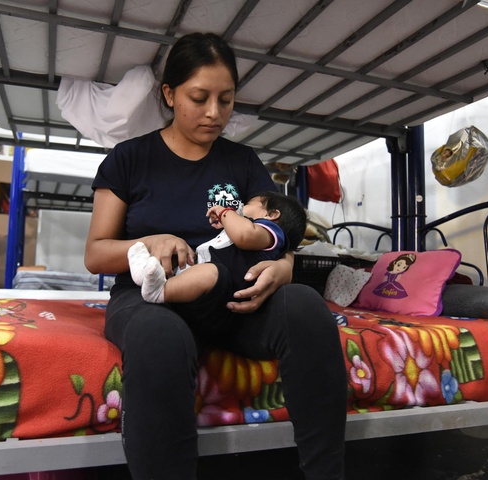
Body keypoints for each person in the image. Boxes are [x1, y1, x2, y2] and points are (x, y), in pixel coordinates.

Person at [84, 32, 347, 480]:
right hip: (154, 298)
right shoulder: (129, 159)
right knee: (160, 337)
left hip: (231, 297)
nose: (214, 113)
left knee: (304, 305)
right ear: (169, 94)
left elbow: (278, 234)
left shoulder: (243, 162)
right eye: (199, 97)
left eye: (225, 100)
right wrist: (149, 243)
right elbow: (95, 253)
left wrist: (283, 269)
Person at [127, 191, 307, 335]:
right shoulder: (257, 229)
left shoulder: (272, 232)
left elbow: (244, 235)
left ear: (272, 214)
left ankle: (158, 291)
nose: (242, 207)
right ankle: (145, 272)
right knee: (181, 255)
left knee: (210, 272)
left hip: (220, 289)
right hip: (200, 272)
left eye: (250, 204)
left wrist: (225, 212)